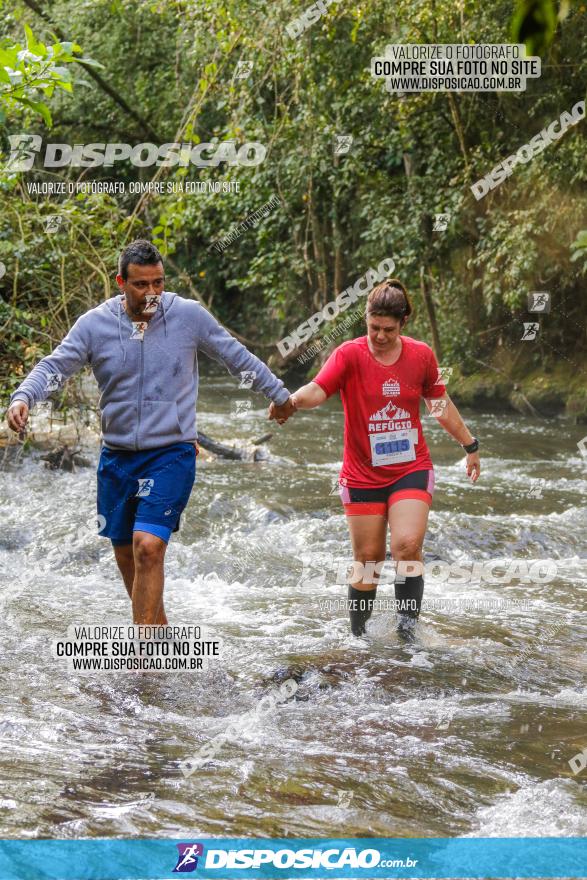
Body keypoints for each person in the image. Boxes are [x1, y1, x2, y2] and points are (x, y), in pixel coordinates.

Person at [6, 239, 295, 625]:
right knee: (128, 559)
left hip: (171, 452)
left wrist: (278, 394)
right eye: (141, 285)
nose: (152, 293)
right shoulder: (94, 325)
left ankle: (144, 663)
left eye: (158, 283)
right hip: (117, 458)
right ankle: (158, 640)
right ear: (121, 282)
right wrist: (24, 396)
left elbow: (234, 355)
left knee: (148, 548)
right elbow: (54, 366)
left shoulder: (188, 317)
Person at [270, 279, 480, 637]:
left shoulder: (421, 356)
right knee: (368, 560)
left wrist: (470, 445)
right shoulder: (349, 355)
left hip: (410, 468)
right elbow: (319, 389)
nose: (380, 336)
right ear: (365, 319)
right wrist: (290, 402)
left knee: (406, 546)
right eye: (373, 327)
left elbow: (439, 404)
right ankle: (359, 638)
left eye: (388, 329)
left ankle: (408, 633)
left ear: (403, 325)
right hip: (362, 473)